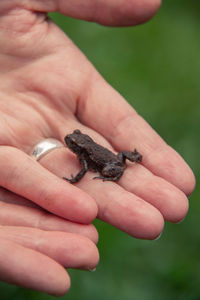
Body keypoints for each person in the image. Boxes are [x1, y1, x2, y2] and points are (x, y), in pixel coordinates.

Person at [0, 0, 195, 296]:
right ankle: (133, 157)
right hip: (113, 156)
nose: (71, 143)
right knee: (121, 159)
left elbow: (82, 170)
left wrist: (100, 176)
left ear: (80, 147)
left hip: (109, 164)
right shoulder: (83, 150)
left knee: (115, 167)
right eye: (73, 141)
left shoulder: (84, 156)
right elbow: (82, 163)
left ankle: (125, 165)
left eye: (74, 142)